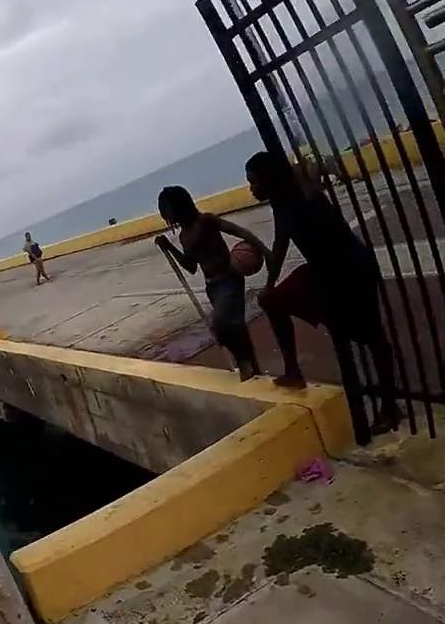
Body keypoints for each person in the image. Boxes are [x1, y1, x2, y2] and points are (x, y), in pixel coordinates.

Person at [246, 150, 399, 432]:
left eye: (254, 181)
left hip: (351, 270)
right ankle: (293, 370)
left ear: (269, 179)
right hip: (324, 272)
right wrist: (268, 284)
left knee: (370, 337)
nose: (251, 188)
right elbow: (280, 245)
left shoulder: (307, 197)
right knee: (272, 300)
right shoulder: (281, 203)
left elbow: (333, 237)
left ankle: (390, 406)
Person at [155, 185, 270, 381]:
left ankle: (245, 363)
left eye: (167, 209)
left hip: (229, 278)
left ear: (179, 206)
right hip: (212, 286)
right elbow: (191, 267)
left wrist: (266, 252)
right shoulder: (184, 236)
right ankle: (252, 368)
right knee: (236, 327)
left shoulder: (206, 221)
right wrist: (170, 248)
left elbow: (239, 232)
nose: (166, 215)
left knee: (220, 325)